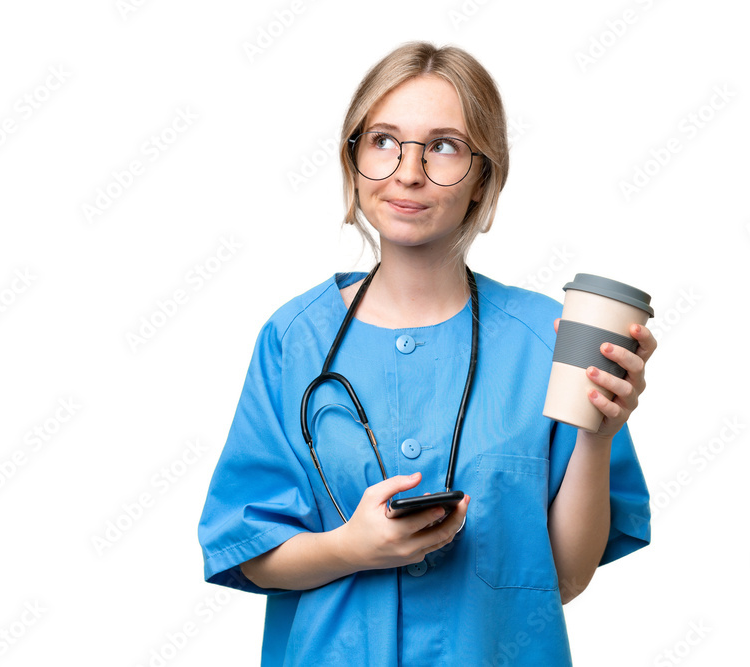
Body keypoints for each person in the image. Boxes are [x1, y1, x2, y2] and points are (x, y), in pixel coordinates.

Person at [198, 40, 657, 666]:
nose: (407, 173)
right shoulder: (294, 338)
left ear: (482, 180)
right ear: (353, 160)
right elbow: (246, 547)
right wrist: (353, 547)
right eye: (383, 140)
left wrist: (599, 436)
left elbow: (564, 578)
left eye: (444, 146)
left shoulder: (547, 336)